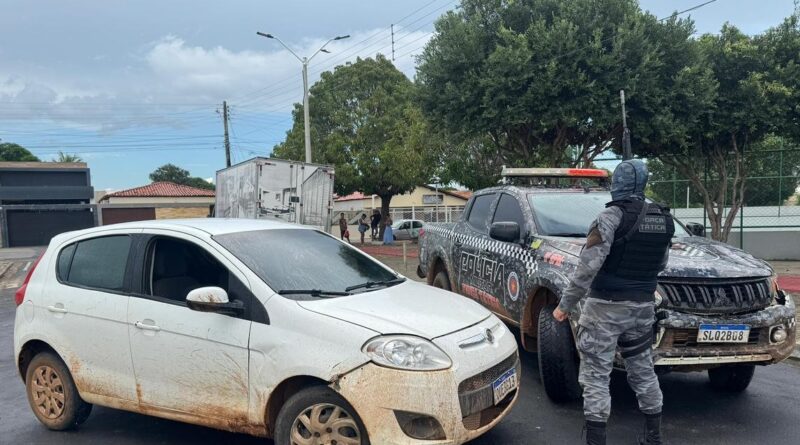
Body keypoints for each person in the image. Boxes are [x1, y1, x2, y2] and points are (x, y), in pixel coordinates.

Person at [553, 160, 674, 445]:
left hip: (604, 309)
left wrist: (564, 307)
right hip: (643, 308)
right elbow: (662, 263)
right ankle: (653, 437)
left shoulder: (609, 217)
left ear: (617, 183)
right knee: (643, 369)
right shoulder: (664, 218)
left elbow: (587, 268)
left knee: (596, 375)